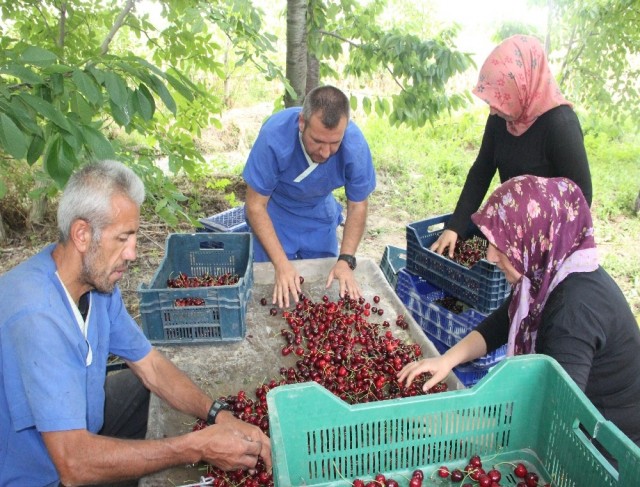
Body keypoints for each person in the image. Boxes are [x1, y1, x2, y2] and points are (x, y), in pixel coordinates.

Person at [0, 160, 272, 486]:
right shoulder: (38, 316)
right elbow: (73, 465)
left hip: (78, 425)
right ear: (82, 234)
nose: (132, 253)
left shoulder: (95, 282)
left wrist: (219, 415)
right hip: (38, 471)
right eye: (123, 238)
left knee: (137, 386)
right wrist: (194, 447)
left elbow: (151, 366)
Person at [398, 175, 640, 447]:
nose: (489, 256)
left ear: (535, 238)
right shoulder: (549, 272)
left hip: (606, 445)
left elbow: (558, 416)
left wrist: (463, 425)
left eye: (501, 245)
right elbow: (504, 321)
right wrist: (447, 360)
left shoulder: (572, 314)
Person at [431, 34, 592, 258]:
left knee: (501, 272)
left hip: (546, 238)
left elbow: (581, 198)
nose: (493, 110)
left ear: (523, 86)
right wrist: (455, 226)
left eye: (502, 98)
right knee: (461, 257)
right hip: (507, 226)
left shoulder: (560, 125)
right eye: (492, 101)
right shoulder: (501, 117)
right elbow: (482, 170)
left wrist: (529, 239)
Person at [242, 85, 376, 308]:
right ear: (302, 122)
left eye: (334, 143)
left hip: (318, 213)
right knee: (270, 287)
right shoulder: (274, 137)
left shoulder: (355, 145)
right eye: (318, 141)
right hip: (276, 212)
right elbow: (255, 205)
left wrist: (346, 259)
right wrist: (281, 264)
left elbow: (358, 206)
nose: (325, 152)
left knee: (323, 282)